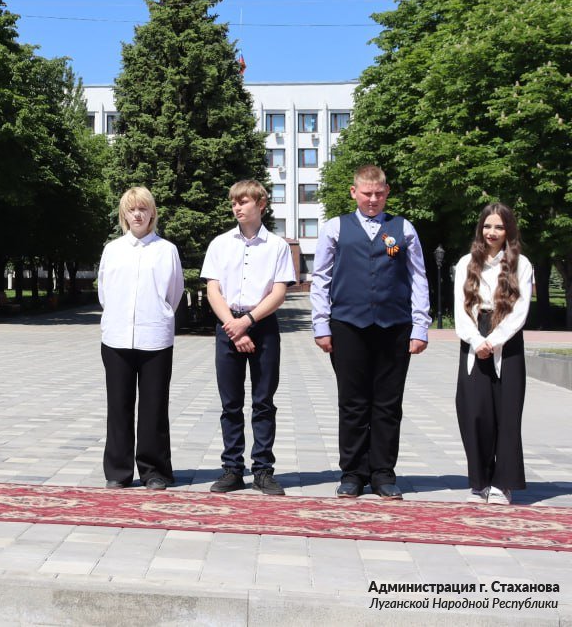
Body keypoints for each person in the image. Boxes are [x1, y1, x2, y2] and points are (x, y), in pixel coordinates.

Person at [311, 164, 430, 500]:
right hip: (348, 325)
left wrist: (420, 325)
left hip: (394, 327)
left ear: (387, 191)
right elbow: (320, 278)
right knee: (352, 402)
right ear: (354, 192)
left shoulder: (403, 229)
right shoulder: (335, 228)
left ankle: (382, 473)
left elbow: (419, 277)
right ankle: (352, 473)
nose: (373, 199)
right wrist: (321, 324)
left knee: (388, 403)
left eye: (379, 193)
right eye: (366, 193)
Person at [199, 180, 297, 495]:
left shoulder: (277, 246)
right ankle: (231, 469)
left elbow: (279, 292)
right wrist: (232, 324)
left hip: (263, 325)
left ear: (261, 204)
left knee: (263, 402)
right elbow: (212, 287)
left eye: (243, 202)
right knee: (231, 403)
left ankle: (263, 470)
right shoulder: (220, 244)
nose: (238, 207)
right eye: (234, 203)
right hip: (228, 325)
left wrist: (249, 321)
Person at [97, 186, 184, 489]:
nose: (137, 214)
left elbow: (174, 294)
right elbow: (104, 293)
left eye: (143, 208)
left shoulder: (166, 250)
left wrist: (158, 315)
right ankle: (118, 472)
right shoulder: (113, 249)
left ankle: (154, 471)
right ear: (124, 214)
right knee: (118, 406)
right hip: (117, 339)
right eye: (131, 209)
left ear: (152, 213)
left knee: (153, 407)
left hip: (155, 339)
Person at [453, 203, 533, 505]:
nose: (492, 232)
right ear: (480, 229)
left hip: (507, 339)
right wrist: (477, 340)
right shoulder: (465, 263)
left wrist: (495, 340)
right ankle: (480, 481)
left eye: (499, 227)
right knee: (474, 412)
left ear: (508, 230)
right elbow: (460, 309)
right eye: (488, 226)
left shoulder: (520, 264)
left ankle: (503, 483)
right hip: (474, 337)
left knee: (507, 413)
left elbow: (520, 310)